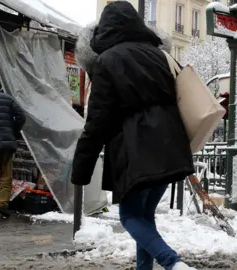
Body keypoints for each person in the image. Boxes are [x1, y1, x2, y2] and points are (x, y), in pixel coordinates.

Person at [71, 2, 195, 270]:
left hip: (136, 149)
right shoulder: (158, 55)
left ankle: (172, 262)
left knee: (129, 216)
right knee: (144, 216)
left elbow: (97, 122)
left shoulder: (106, 61)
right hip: (171, 146)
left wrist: (81, 169)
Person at [0, 85, 26, 218]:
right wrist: (13, 132)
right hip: (6, 143)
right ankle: (2, 204)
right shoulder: (8, 99)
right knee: (6, 174)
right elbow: (21, 116)